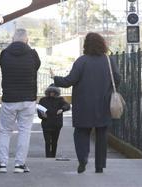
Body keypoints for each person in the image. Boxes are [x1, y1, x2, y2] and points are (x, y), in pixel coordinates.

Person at [50, 32, 120, 174]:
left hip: (83, 105)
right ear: (102, 44)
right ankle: (99, 166)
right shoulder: (109, 60)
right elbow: (117, 79)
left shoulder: (82, 61)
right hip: (104, 104)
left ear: (86, 45)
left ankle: (83, 159)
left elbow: (69, 81)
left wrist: (55, 78)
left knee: (81, 132)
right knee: (101, 134)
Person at [0, 28, 41, 173]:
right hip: (28, 100)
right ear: (27, 40)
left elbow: (2, 65)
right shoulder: (33, 54)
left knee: (4, 131)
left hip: (9, 99)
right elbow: (36, 67)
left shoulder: (4, 54)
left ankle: (2, 164)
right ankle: (20, 165)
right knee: (24, 131)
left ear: (12, 39)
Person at [37, 84, 70, 158]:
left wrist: (62, 109)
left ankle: (53, 156)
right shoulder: (43, 100)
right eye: (50, 91)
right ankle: (48, 156)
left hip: (56, 124)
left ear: (56, 92)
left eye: (53, 91)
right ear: (47, 92)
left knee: (54, 142)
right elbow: (39, 109)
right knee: (47, 142)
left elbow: (67, 106)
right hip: (46, 124)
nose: (52, 93)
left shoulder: (60, 100)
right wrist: (42, 115)